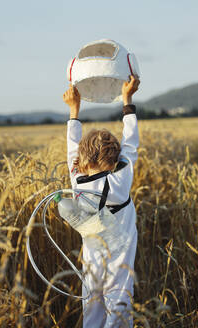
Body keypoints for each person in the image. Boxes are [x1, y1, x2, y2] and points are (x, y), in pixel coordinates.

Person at [63, 75, 140, 328]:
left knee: (92, 303)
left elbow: (72, 150)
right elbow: (131, 143)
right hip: (120, 259)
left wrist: (74, 109)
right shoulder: (121, 179)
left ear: (82, 161)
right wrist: (127, 99)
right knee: (119, 303)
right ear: (115, 158)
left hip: (93, 258)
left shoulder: (77, 181)